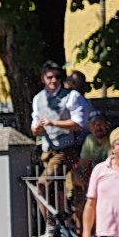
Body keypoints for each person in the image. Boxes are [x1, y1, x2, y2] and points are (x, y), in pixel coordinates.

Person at [32, 62, 94, 211]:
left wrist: (53, 123)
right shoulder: (37, 99)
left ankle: (51, 223)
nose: (53, 80)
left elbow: (79, 123)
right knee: (56, 190)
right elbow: (34, 128)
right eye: (50, 77)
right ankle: (61, 221)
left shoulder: (72, 96)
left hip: (66, 149)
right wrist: (38, 129)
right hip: (47, 151)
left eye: (57, 77)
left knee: (42, 185)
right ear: (43, 79)